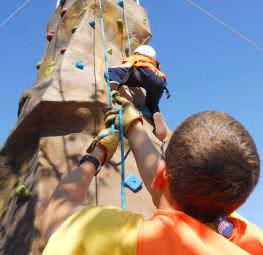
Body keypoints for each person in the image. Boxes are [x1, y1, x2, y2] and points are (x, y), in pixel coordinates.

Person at [42, 96, 263, 255]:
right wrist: (135, 128)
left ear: (161, 175)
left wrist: (95, 155)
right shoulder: (250, 238)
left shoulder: (129, 241)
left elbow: (58, 214)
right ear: (238, 201)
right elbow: (166, 191)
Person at [107, 45, 169, 141]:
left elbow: (126, 66)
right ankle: (156, 113)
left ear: (138, 52)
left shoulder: (137, 57)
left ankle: (119, 87)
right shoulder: (154, 66)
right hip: (160, 82)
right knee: (152, 104)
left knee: (113, 72)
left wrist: (116, 69)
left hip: (143, 74)